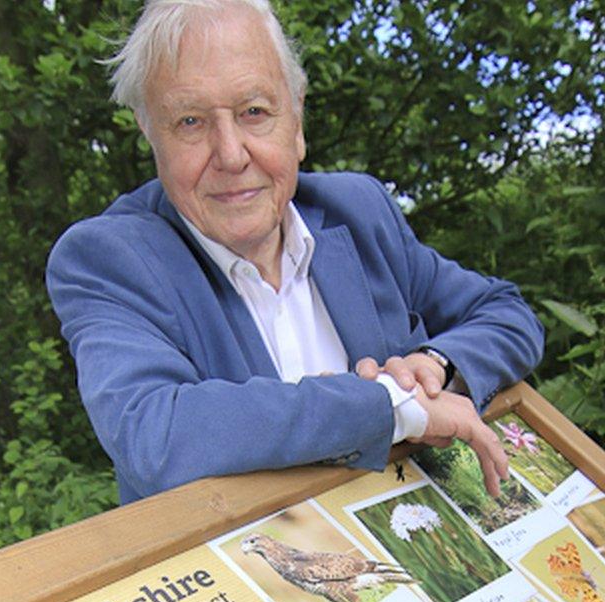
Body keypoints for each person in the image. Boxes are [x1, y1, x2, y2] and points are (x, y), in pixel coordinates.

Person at [47, 0, 544, 505]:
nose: (231, 154)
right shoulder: (109, 259)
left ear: (297, 118)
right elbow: (153, 434)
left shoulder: (359, 210)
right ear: (149, 131)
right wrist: (392, 407)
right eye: (191, 122)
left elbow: (507, 315)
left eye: (254, 112)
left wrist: (436, 363)